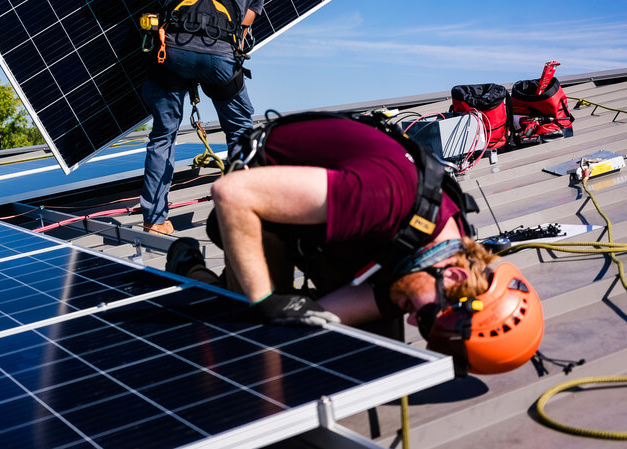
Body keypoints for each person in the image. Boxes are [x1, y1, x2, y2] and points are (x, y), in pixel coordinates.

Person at [169, 113, 544, 375]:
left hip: (338, 232)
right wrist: (267, 301)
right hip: (260, 202)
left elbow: (344, 308)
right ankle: (191, 267)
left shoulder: (435, 258)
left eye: (424, 327)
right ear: (456, 274)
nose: (415, 320)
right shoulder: (384, 200)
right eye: (427, 319)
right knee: (257, 316)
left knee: (371, 349)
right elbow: (231, 194)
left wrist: (306, 315)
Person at [109, 0, 277, 235]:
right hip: (219, 61)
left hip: (170, 52)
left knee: (163, 135)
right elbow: (244, 27)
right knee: (242, 132)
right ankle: (240, 214)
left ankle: (156, 220)